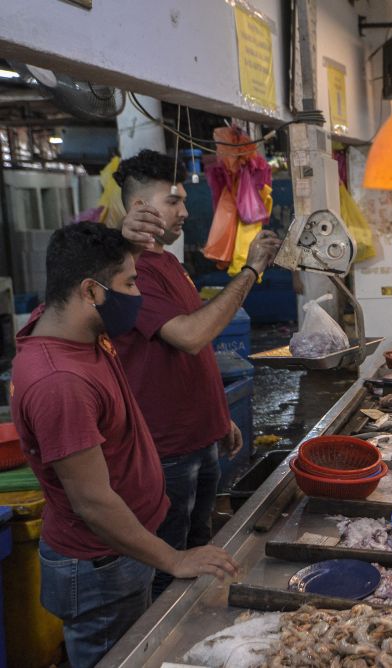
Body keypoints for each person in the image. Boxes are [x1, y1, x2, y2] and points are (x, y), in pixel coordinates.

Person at [9, 223, 239, 668]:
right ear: (91, 292)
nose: (138, 294)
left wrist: (124, 229)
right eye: (130, 283)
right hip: (102, 565)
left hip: (124, 551)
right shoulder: (61, 383)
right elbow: (92, 502)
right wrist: (174, 559)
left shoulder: (75, 329)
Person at [116, 150, 280, 597]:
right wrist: (250, 271)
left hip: (198, 439)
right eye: (173, 201)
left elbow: (190, 356)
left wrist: (215, 417)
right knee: (171, 565)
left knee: (199, 551)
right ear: (138, 209)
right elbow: (192, 335)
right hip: (168, 451)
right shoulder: (133, 274)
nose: (186, 210)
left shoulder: (168, 262)